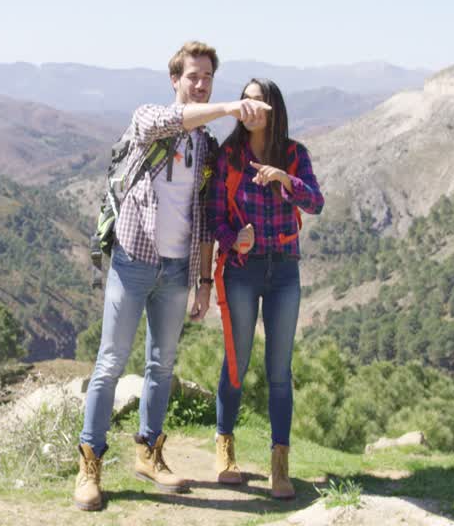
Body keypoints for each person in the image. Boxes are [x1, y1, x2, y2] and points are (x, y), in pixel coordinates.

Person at [74, 41, 272, 511]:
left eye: (207, 77)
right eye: (193, 77)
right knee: (110, 364)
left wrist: (204, 281)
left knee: (161, 365)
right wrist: (227, 108)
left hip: (178, 267)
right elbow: (166, 122)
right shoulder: (149, 119)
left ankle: (149, 451)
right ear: (175, 80)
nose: (200, 83)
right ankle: (89, 463)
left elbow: (204, 217)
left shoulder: (205, 147)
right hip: (133, 260)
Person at [208, 77, 323, 500]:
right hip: (241, 270)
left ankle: (279, 464)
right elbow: (215, 216)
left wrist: (285, 180)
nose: (251, 107)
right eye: (245, 101)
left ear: (274, 107)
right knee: (235, 364)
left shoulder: (295, 155)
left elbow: (316, 203)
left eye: (259, 101)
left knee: (279, 372)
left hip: (284, 273)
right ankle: (225, 448)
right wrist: (232, 237)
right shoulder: (229, 156)